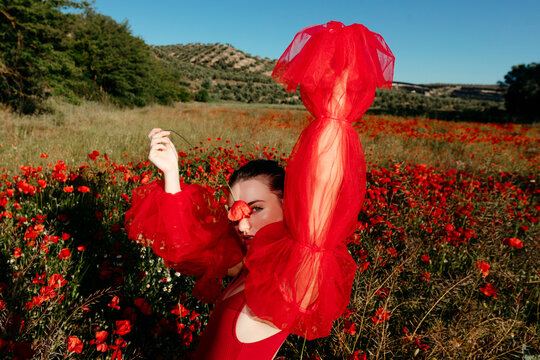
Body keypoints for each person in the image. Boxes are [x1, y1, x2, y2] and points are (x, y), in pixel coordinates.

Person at [125, 21, 394, 360]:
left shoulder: (293, 280)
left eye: (256, 208)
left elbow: (322, 187)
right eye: (234, 211)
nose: (242, 224)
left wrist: (334, 112)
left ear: (293, 206)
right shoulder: (246, 267)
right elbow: (186, 246)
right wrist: (172, 174)